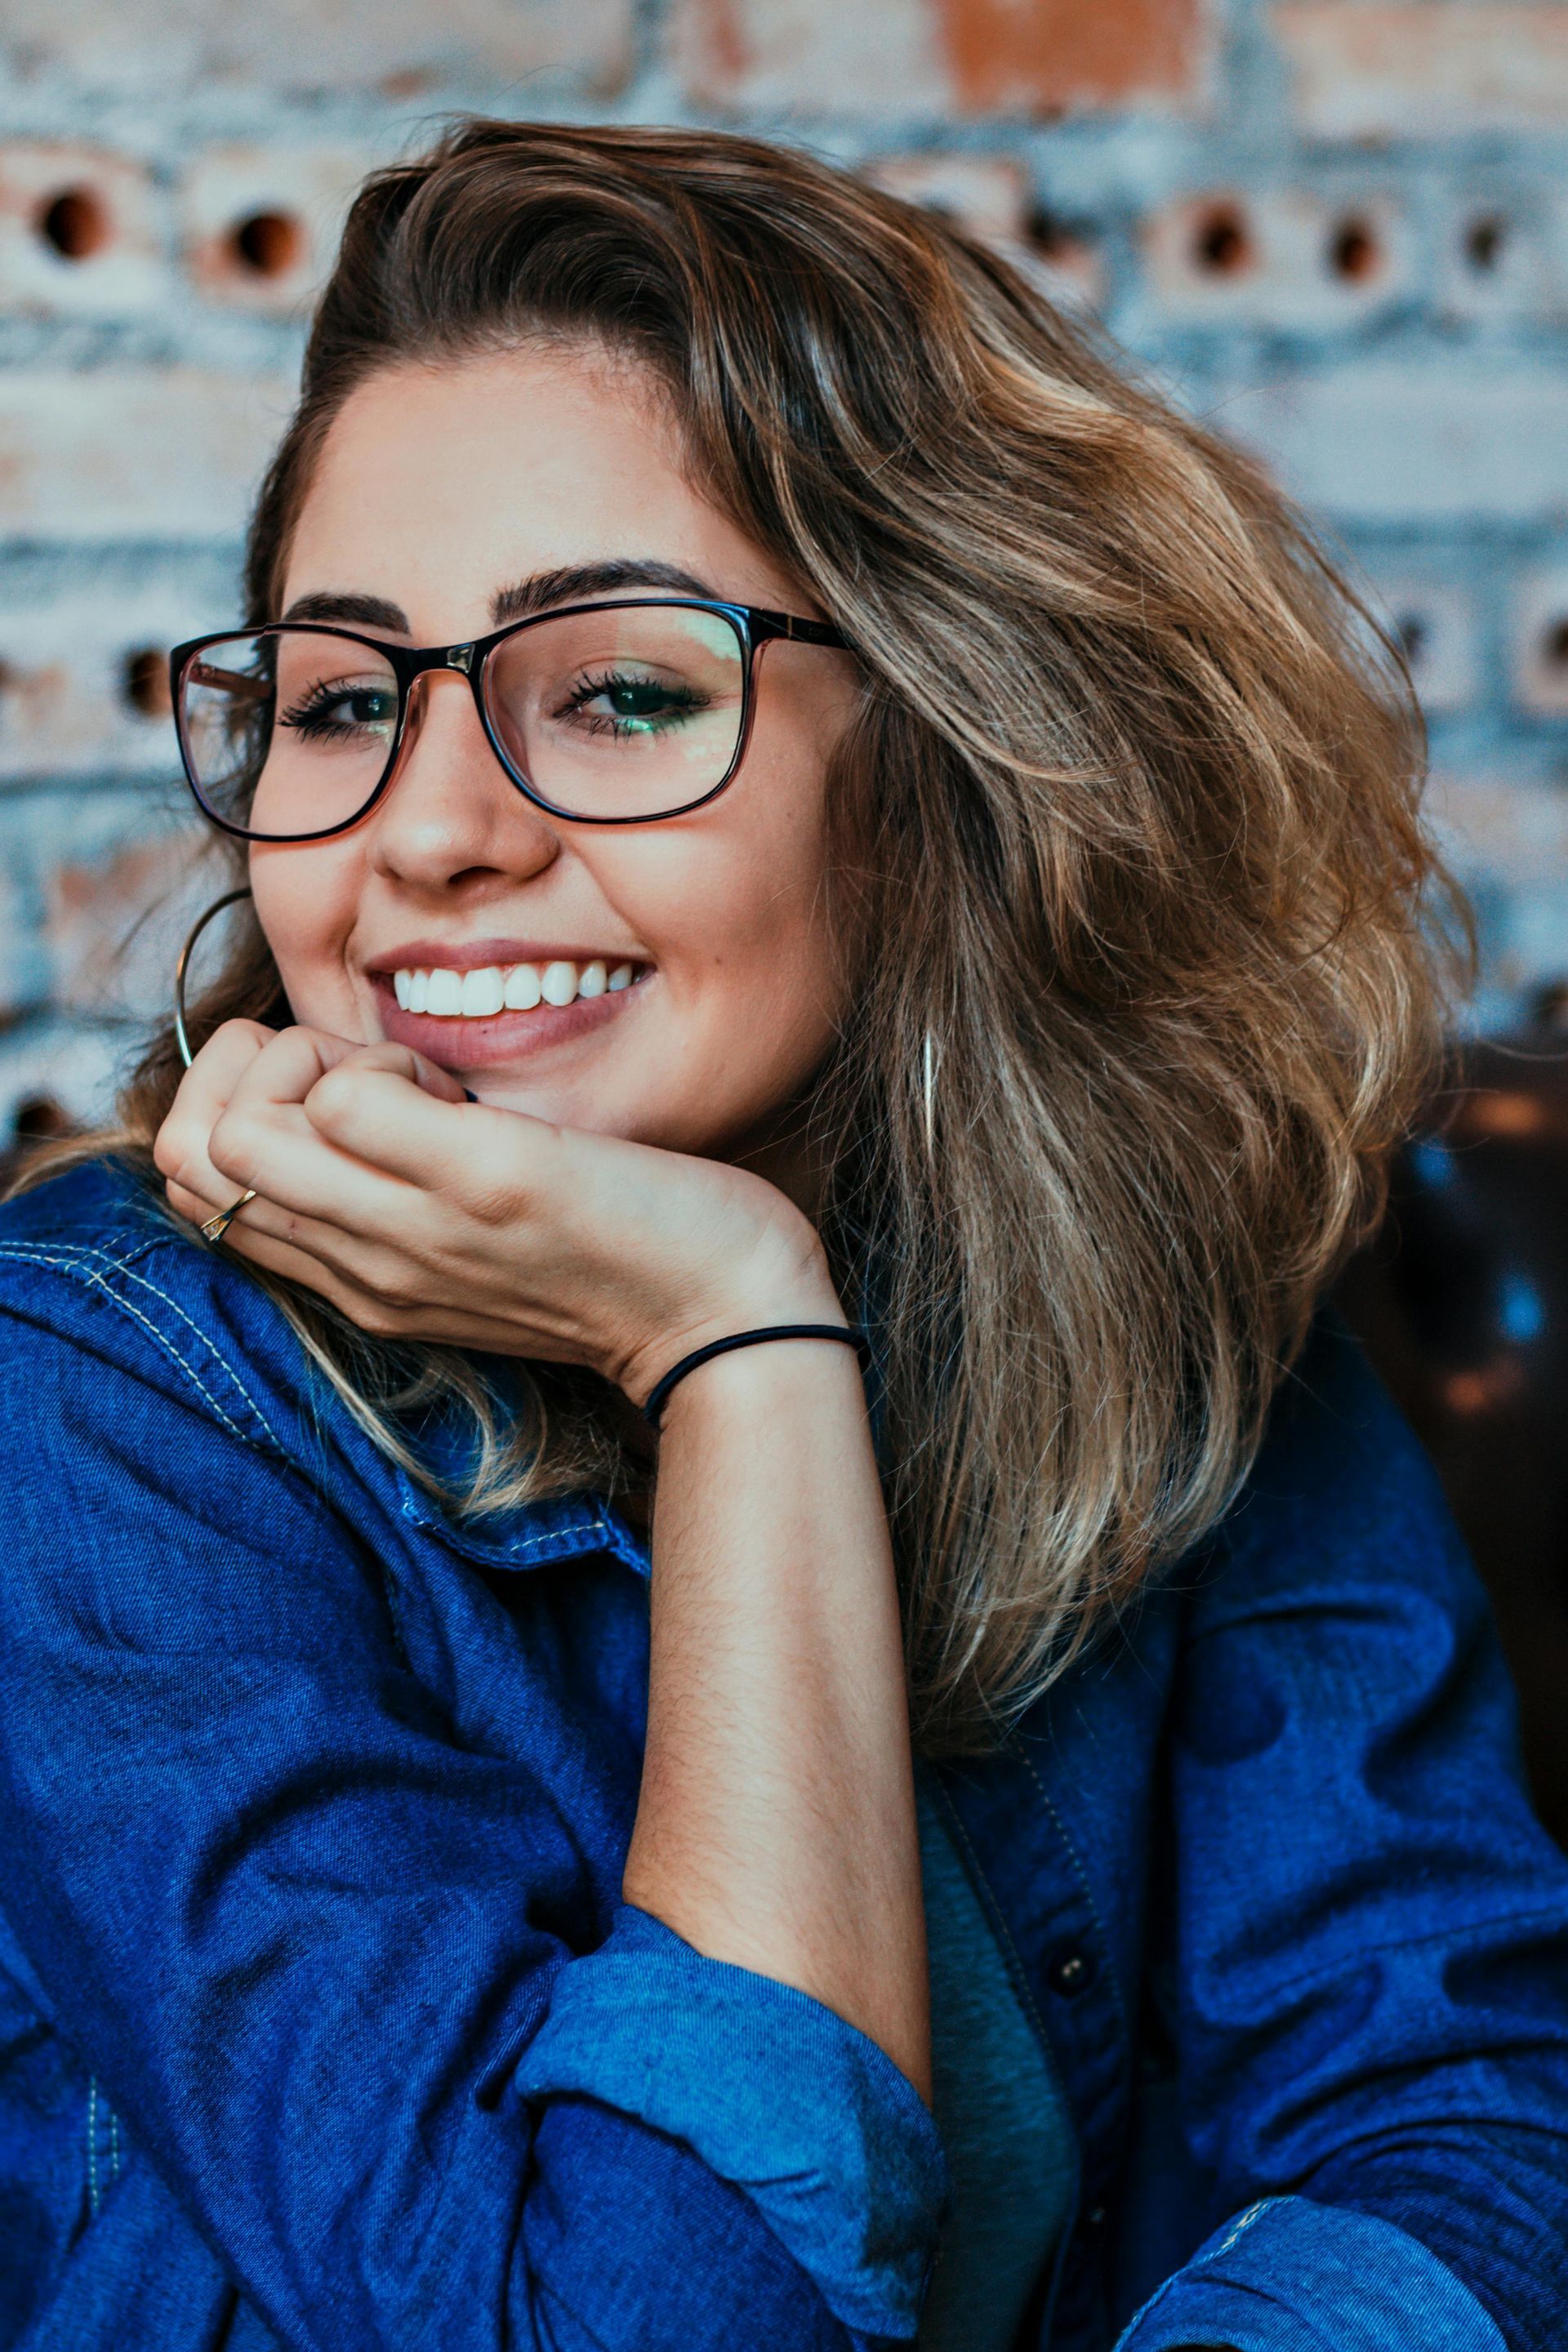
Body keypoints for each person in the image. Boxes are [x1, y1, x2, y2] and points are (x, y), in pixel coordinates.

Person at [0, 120, 1564, 2352]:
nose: (426, 830)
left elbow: (1463, 2110)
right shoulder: (97, 1406)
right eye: (347, 701)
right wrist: (736, 1342)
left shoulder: (1175, 1306)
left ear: (938, 770)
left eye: (624, 689)